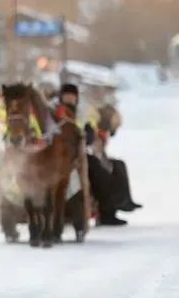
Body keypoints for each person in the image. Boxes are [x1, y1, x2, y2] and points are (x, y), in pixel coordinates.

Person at [54, 83, 142, 226]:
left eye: (72, 96)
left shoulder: (82, 111)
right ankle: (106, 209)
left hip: (79, 152)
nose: (69, 99)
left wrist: (87, 135)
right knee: (98, 170)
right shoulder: (54, 111)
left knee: (111, 168)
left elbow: (90, 130)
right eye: (66, 96)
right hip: (59, 154)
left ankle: (117, 205)